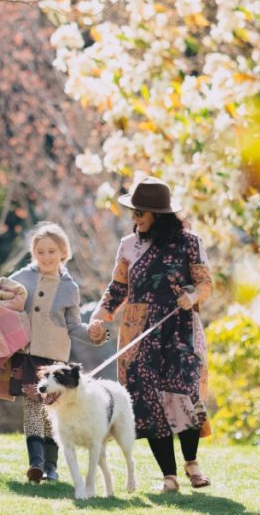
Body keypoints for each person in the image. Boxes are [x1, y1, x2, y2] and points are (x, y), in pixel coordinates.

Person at [86, 176, 213, 493]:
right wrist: (99, 318)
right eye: (134, 212)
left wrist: (192, 297)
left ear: (159, 215)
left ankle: (192, 463)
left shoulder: (189, 242)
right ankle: (168, 475)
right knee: (147, 400)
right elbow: (117, 289)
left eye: (140, 212)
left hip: (178, 328)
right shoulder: (128, 246)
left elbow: (205, 283)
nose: (135, 218)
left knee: (184, 392)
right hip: (137, 332)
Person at [0, 222, 101, 483]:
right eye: (40, 251)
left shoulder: (70, 288)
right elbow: (0, 302)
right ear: (34, 253)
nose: (46, 257)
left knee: (52, 410)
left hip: (55, 359)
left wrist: (95, 334)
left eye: (52, 251)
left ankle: (51, 466)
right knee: (32, 408)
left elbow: (74, 326)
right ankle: (36, 464)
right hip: (26, 354)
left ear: (63, 253)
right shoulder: (20, 278)